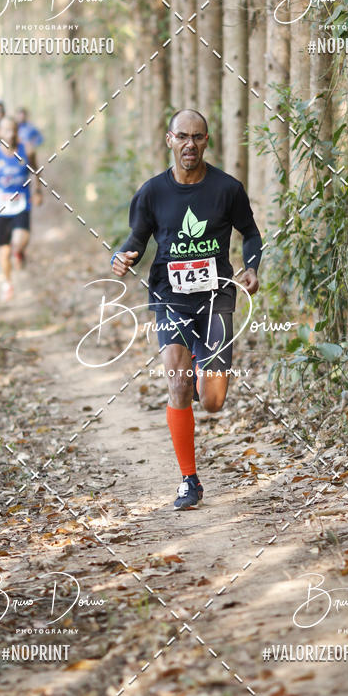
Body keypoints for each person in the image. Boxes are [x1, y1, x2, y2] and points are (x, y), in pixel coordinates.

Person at [111, 109, 262, 511]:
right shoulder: (151, 193)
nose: (189, 144)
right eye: (183, 136)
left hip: (217, 296)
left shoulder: (227, 189)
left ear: (206, 141)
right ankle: (188, 481)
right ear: (169, 139)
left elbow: (250, 233)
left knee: (212, 401)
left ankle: (202, 366)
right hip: (170, 295)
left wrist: (251, 267)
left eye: (197, 137)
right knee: (176, 385)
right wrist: (124, 255)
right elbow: (137, 238)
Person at [0, 116, 43, 301]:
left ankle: (19, 251)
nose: (11, 134)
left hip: (22, 204)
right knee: (3, 252)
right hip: (0, 207)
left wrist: (38, 191)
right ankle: (7, 283)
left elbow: (37, 171)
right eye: (6, 130)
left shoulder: (27, 151)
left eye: (14, 130)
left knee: (20, 240)